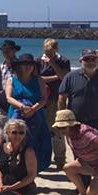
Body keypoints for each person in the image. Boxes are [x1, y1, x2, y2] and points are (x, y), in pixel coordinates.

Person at [5, 53, 52, 173]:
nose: (28, 67)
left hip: (37, 115)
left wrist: (33, 109)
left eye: (30, 65)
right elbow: (8, 98)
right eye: (25, 64)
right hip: (16, 115)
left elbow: (44, 98)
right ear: (19, 66)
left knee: (37, 143)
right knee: (14, 140)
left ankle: (32, 170)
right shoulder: (11, 79)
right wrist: (23, 107)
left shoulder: (39, 80)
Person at [52, 110, 98, 195]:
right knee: (68, 168)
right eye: (59, 128)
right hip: (90, 164)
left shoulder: (86, 133)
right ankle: (83, 194)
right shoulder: (69, 135)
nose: (61, 131)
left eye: (63, 128)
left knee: (92, 193)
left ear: (71, 125)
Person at [58, 49, 98, 137]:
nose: (90, 61)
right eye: (87, 59)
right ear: (80, 61)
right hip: (76, 124)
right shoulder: (70, 77)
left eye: (93, 59)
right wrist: (64, 122)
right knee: (78, 150)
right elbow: (62, 99)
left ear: (97, 61)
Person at [0, 118, 38, 195]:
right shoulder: (3, 146)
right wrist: (0, 184)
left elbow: (32, 175)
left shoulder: (28, 151)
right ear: (7, 133)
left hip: (22, 189)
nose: (18, 136)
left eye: (21, 133)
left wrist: (11, 188)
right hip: (5, 186)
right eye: (14, 132)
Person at [40, 39, 71, 169]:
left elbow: (65, 77)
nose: (48, 54)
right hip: (42, 98)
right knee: (43, 130)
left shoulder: (63, 61)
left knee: (57, 129)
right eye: (46, 52)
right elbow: (38, 78)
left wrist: (52, 63)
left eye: (51, 52)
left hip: (56, 98)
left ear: (56, 49)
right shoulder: (39, 61)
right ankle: (44, 158)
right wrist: (55, 77)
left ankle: (60, 159)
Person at [0, 39, 20, 148]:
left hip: (15, 103)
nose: (5, 54)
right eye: (3, 51)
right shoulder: (2, 66)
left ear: (14, 51)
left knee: (15, 131)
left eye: (7, 51)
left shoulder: (20, 66)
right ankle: (2, 155)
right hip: (1, 103)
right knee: (2, 131)